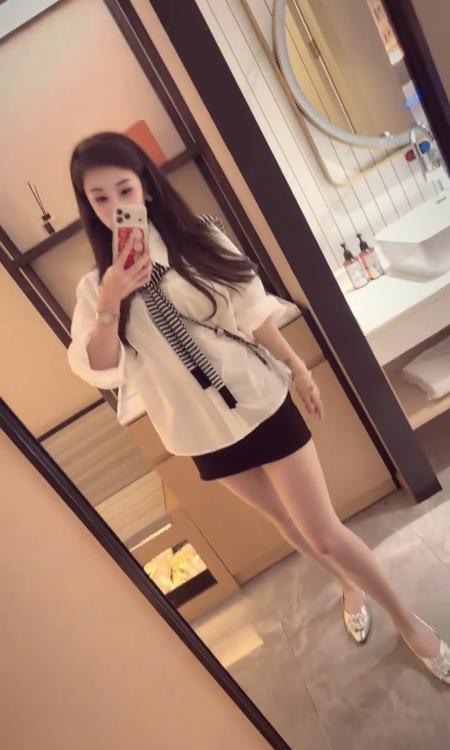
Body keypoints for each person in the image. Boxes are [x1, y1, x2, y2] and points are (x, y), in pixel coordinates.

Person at [68, 131, 449, 684]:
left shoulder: (199, 240)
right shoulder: (94, 289)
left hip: (257, 402)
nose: (113, 207)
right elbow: (102, 365)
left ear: (146, 187)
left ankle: (407, 622)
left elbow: (252, 313)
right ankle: (346, 584)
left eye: (123, 189)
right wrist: (110, 301)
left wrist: (298, 368)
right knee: (285, 524)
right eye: (99, 198)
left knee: (322, 530)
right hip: (198, 431)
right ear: (88, 206)